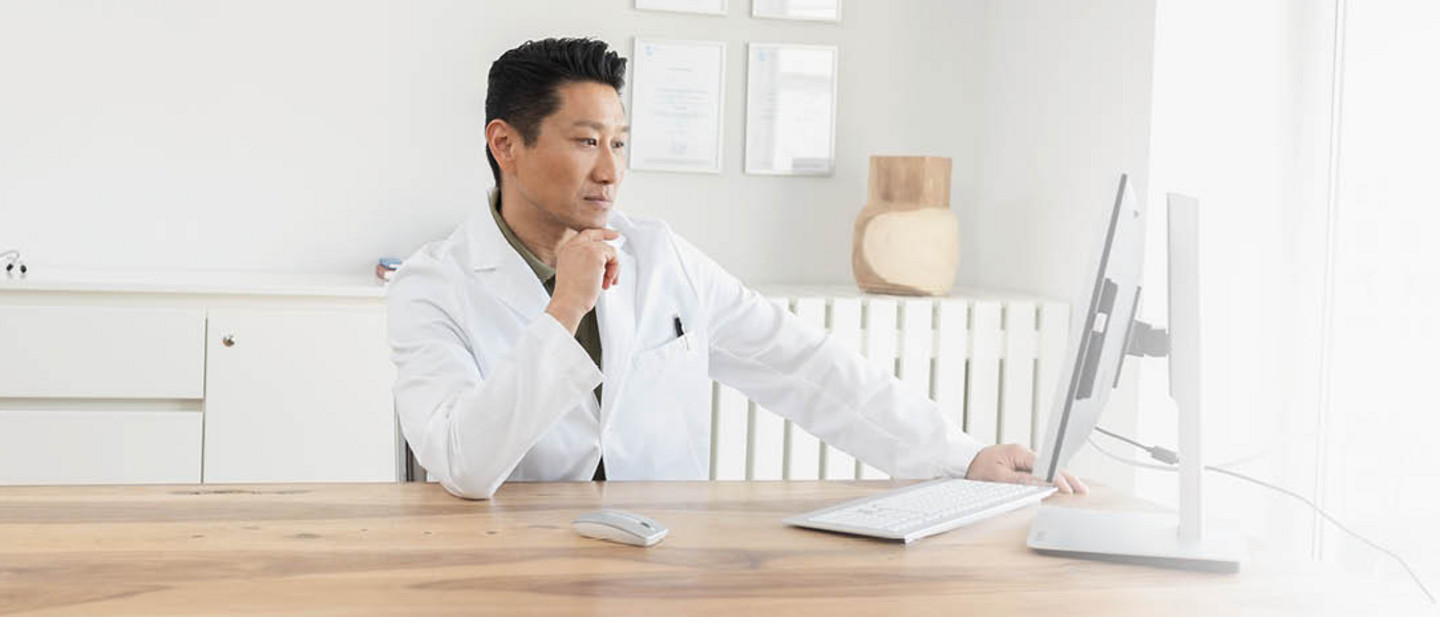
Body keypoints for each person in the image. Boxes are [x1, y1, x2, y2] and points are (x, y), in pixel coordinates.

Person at [387, 37, 1086, 500]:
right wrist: (564, 307)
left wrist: (961, 457)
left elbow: (806, 364)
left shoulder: (659, 255)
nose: (611, 170)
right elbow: (464, 463)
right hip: (505, 571)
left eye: (622, 143)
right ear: (505, 145)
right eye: (585, 141)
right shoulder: (433, 287)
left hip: (661, 565)